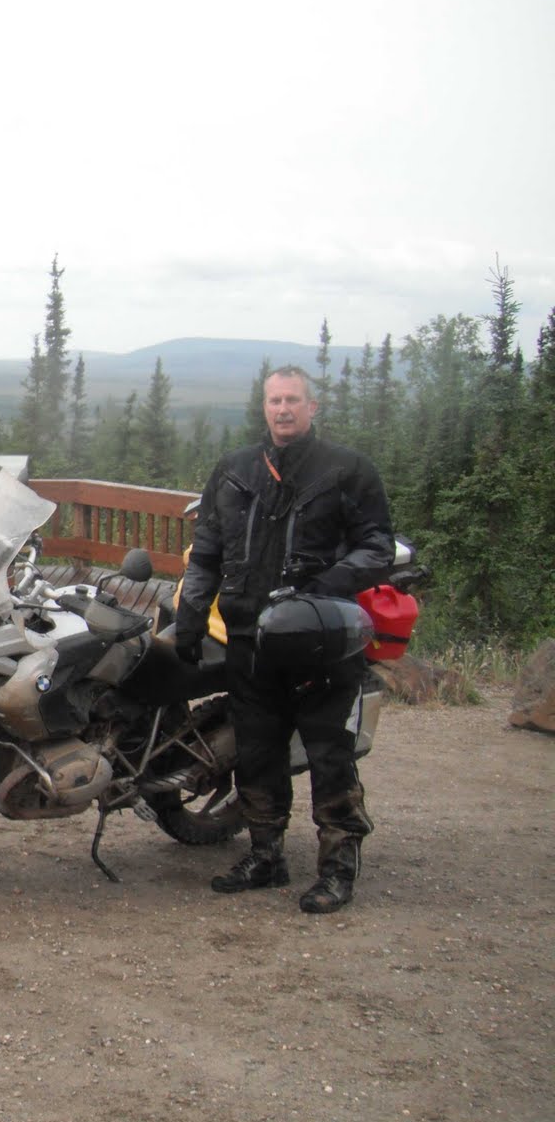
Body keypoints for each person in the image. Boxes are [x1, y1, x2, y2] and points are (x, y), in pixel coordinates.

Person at [174, 365, 394, 913]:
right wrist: (191, 618)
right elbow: (205, 552)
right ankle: (265, 855)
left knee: (329, 754)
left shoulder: (348, 470)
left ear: (312, 407)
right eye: (274, 401)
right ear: (264, 408)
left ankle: (338, 869)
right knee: (256, 752)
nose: (283, 410)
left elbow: (377, 548)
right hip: (250, 639)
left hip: (319, 640)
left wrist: (322, 588)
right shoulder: (234, 471)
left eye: (293, 400)